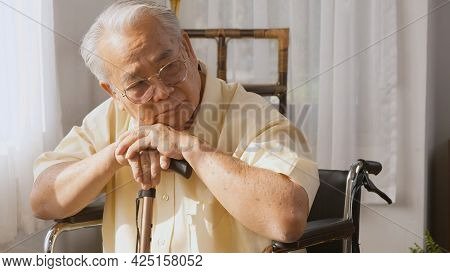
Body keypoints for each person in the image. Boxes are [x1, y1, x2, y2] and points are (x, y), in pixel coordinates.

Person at [30, 0, 319, 252]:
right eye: (138, 84)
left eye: (169, 68)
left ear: (188, 49)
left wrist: (190, 147)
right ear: (113, 92)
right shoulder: (109, 118)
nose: (162, 91)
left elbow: (287, 219)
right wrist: (116, 154)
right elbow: (44, 201)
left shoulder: (250, 113)